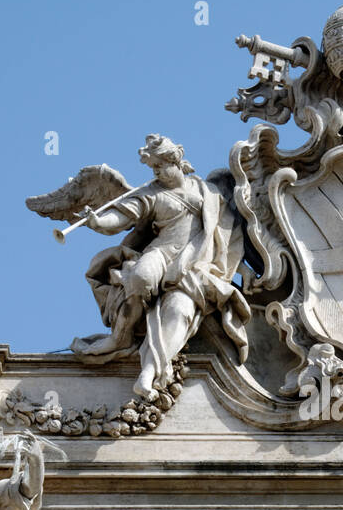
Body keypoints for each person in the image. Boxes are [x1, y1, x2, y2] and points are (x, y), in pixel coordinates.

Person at [70, 134, 249, 399]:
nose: (156, 172)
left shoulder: (206, 190)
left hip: (195, 264)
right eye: (152, 168)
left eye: (159, 166)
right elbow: (120, 217)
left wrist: (241, 268)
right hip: (162, 253)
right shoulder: (151, 194)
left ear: (175, 160)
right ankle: (121, 337)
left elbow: (226, 233)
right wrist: (98, 221)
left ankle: (149, 371)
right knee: (140, 278)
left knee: (179, 309)